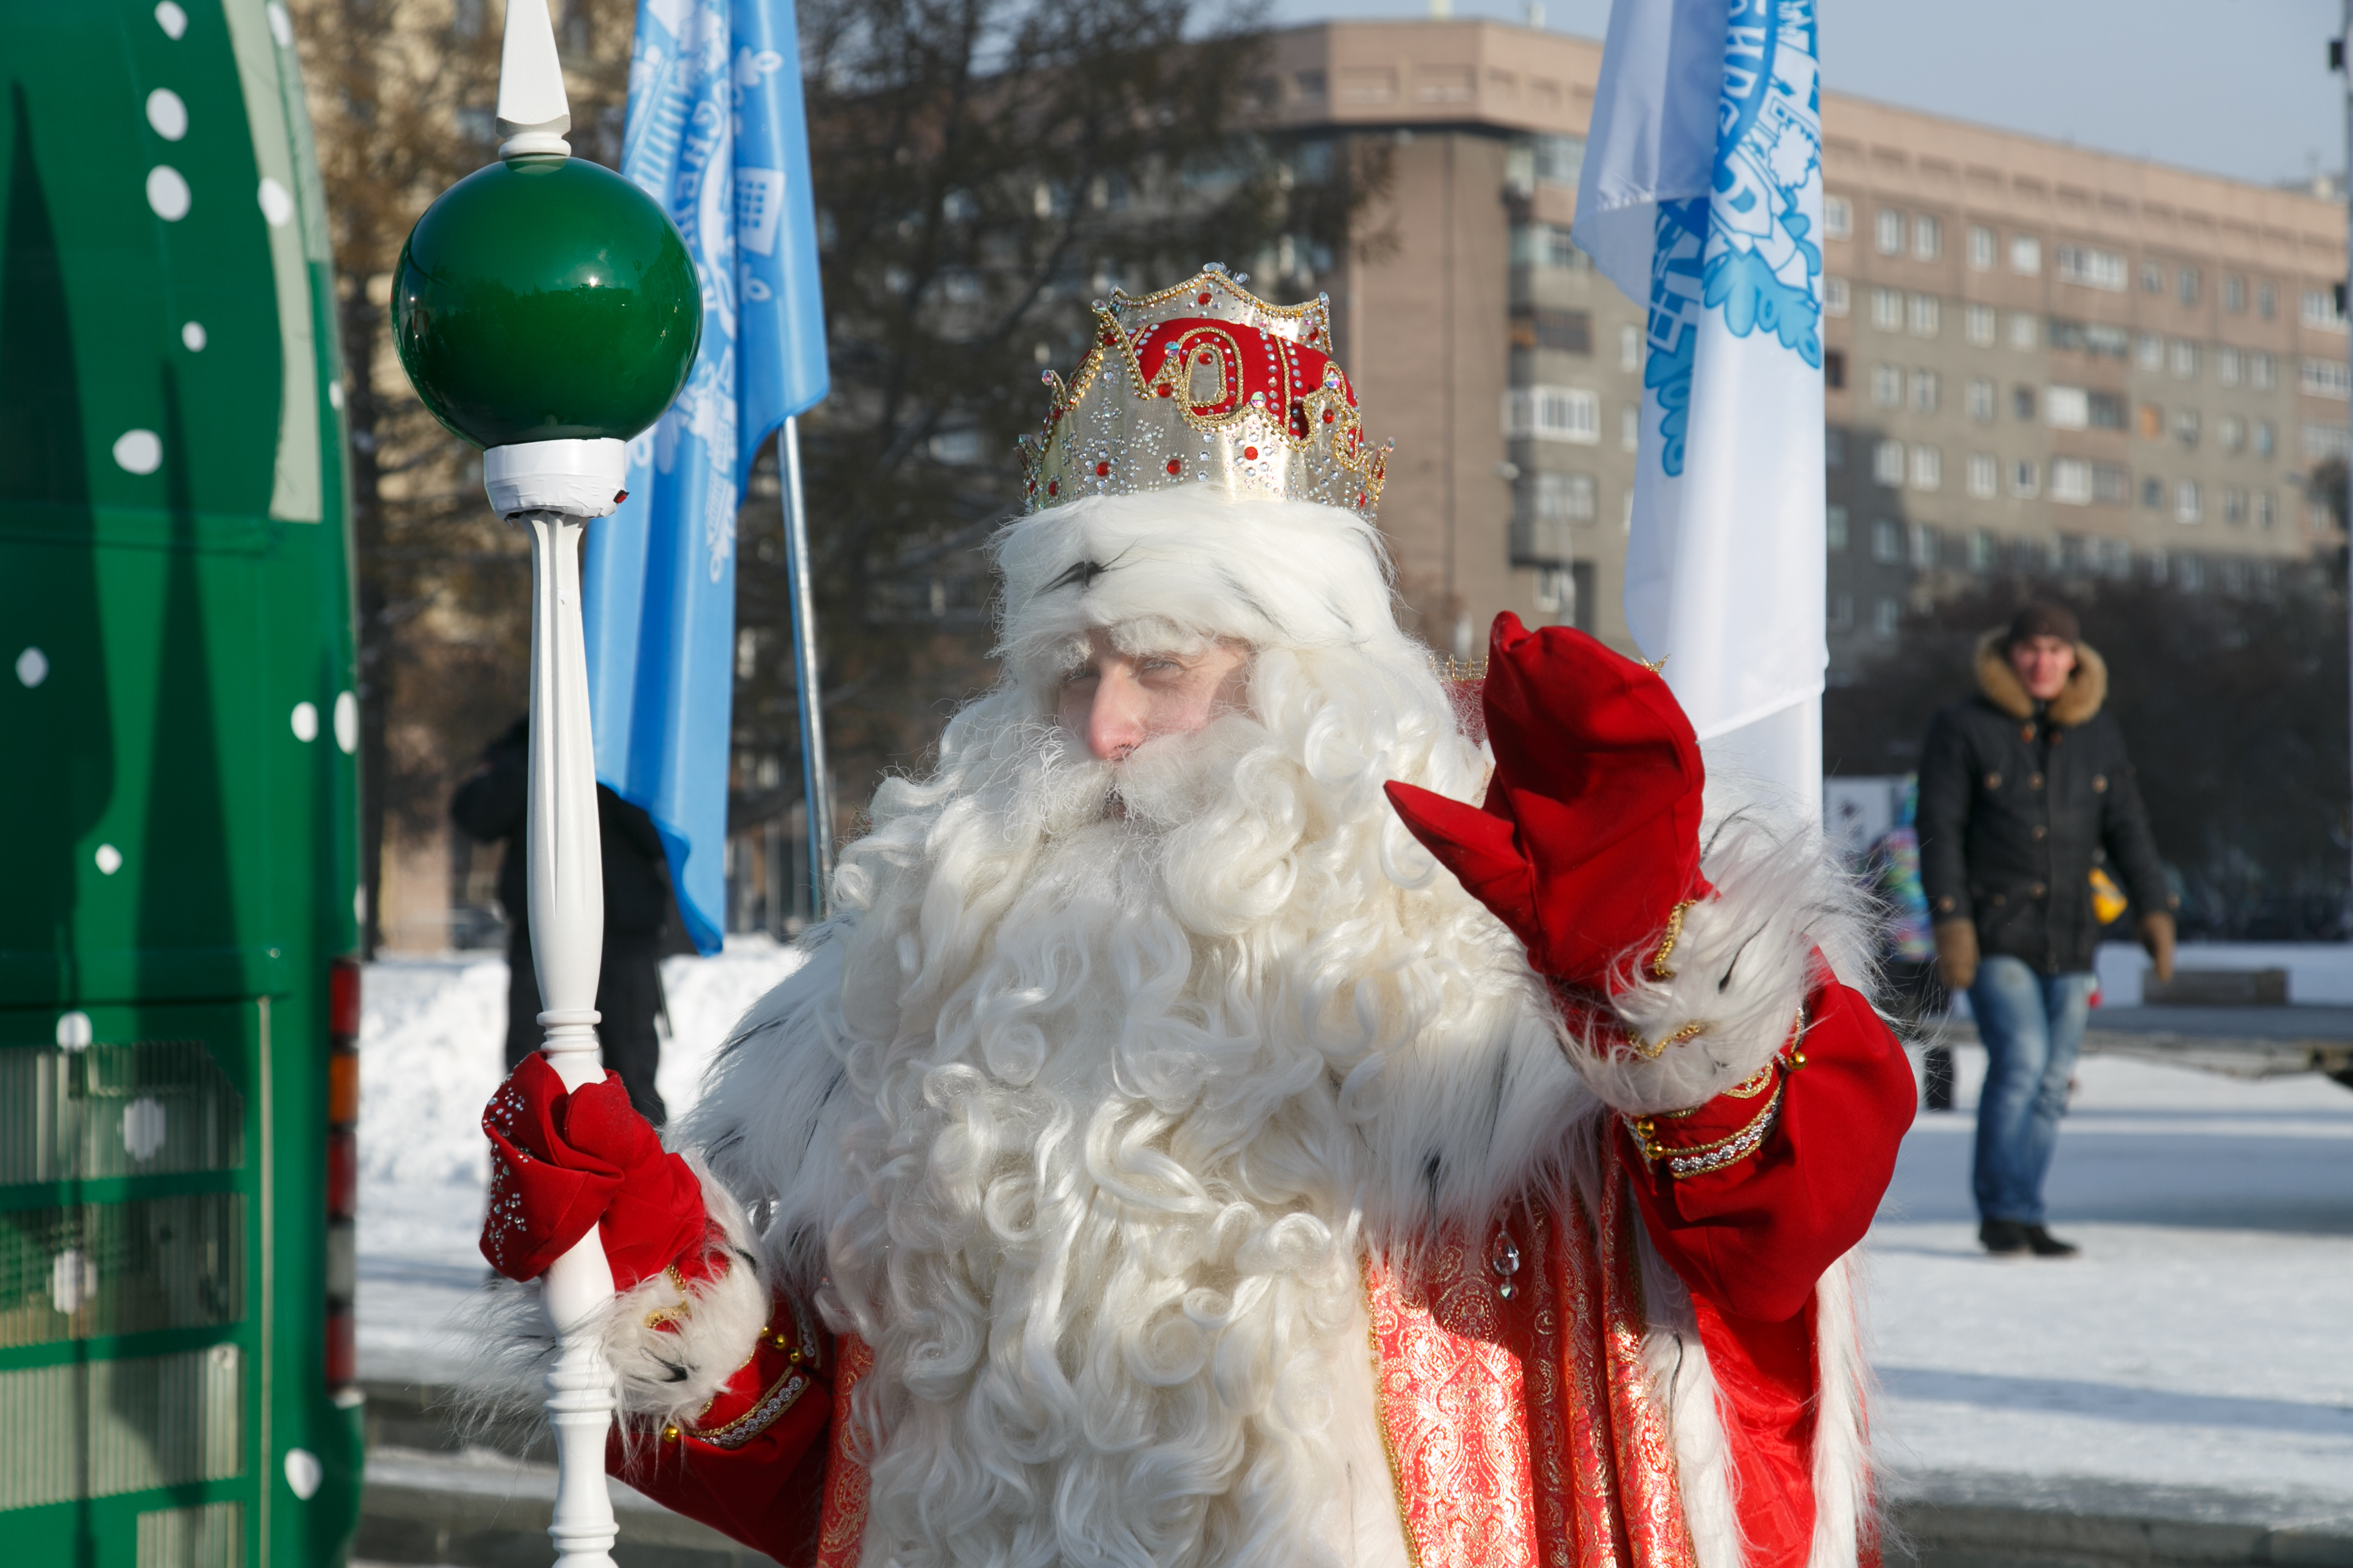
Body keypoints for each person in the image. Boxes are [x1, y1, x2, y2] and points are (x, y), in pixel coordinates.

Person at [470, 270, 1916, 1568]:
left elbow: (1776, 1240)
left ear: (1313, 672)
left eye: (1160, 665)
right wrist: (656, 1287)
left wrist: (1654, 975)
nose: (1102, 728)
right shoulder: (904, 1002)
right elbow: (843, 1483)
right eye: (1066, 669)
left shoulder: (1489, 965)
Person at [1916, 603, 2176, 1258]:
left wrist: (2153, 908)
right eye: (2030, 649)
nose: (2042, 662)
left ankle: (2025, 1209)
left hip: (2070, 934)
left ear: (2074, 660)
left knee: (2054, 1075)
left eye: (2055, 650)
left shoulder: (2097, 734)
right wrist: (1950, 919)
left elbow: (2126, 827)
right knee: (2022, 1060)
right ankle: (2000, 1211)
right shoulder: (1963, 727)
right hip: (1994, 929)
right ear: (2008, 656)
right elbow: (1938, 828)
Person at [450, 716, 675, 1125]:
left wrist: (606, 772)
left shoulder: (637, 741)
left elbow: (667, 836)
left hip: (625, 941)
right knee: (532, 1080)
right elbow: (474, 815)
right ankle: (533, 1182)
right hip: (542, 942)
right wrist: (540, 759)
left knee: (636, 1081)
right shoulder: (529, 741)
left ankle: (643, 1186)